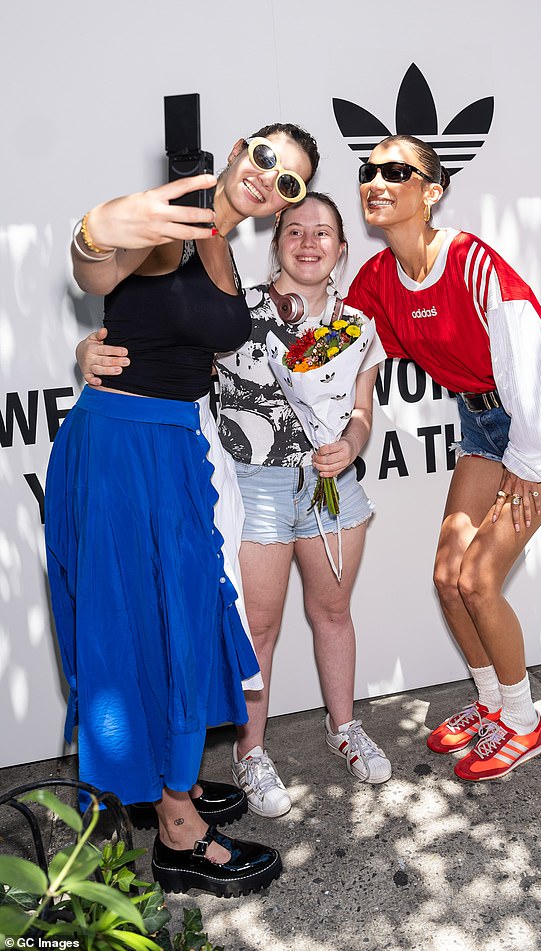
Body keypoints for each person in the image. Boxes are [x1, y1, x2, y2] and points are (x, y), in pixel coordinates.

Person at [46, 124, 319, 896]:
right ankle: (176, 832)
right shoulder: (172, 222)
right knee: (146, 628)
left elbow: (172, 339)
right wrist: (96, 231)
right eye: (265, 157)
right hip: (124, 449)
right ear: (238, 149)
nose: (269, 178)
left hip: (173, 447)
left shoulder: (225, 250)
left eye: (290, 181)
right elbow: (100, 264)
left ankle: (177, 782)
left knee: (183, 620)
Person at [76, 192, 392, 820]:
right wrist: (90, 352)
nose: (308, 242)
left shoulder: (359, 324)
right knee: (259, 630)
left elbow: (363, 407)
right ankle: (252, 755)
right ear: (274, 244)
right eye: (294, 230)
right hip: (254, 485)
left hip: (333, 490)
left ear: (341, 248)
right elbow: (153, 352)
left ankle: (344, 727)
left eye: (323, 232)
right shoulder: (233, 311)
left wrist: (353, 444)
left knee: (333, 612)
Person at [345, 134, 541, 782]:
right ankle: (493, 702)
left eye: (396, 171)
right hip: (482, 418)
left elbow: (537, 384)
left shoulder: (474, 265)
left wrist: (524, 462)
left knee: (479, 578)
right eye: (369, 170)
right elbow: (332, 348)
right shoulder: (377, 278)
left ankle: (524, 722)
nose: (377, 180)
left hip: (540, 426)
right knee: (447, 575)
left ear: (431, 191)